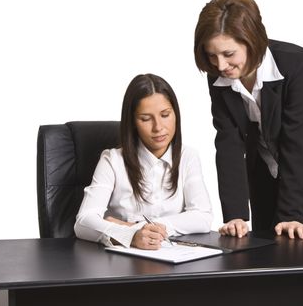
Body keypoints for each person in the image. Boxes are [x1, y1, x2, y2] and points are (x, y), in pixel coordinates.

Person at [194, 0, 303, 239]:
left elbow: (297, 143)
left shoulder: (298, 65)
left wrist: (291, 215)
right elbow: (228, 142)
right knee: (260, 243)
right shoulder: (218, 75)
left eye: (228, 54)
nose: (220, 65)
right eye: (212, 55)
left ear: (251, 40)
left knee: (290, 242)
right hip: (264, 171)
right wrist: (235, 214)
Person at [74, 73, 213, 249]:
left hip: (172, 256)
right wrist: (130, 236)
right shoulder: (112, 160)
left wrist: (137, 226)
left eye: (165, 115)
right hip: (122, 263)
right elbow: (84, 222)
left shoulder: (188, 156)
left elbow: (203, 217)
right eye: (146, 119)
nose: (158, 127)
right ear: (132, 122)